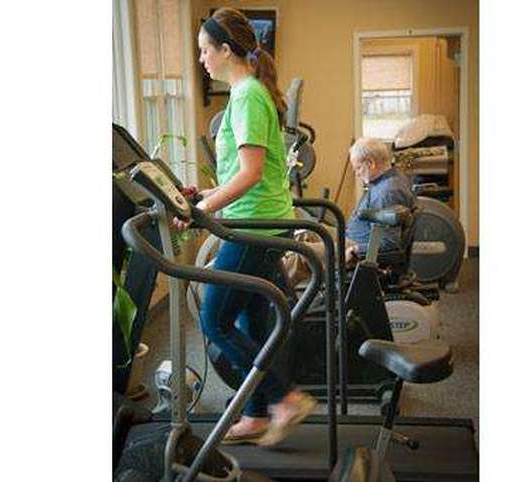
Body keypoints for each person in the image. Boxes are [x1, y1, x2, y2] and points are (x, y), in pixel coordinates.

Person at [173, 7, 315, 447]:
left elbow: (251, 174)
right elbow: (243, 167)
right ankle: (255, 414)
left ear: (225, 50)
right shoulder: (246, 94)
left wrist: (204, 210)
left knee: (214, 319)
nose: (200, 60)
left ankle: (283, 399)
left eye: (203, 51)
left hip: (257, 228)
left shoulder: (248, 94)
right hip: (261, 222)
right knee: (253, 325)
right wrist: (205, 196)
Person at [283, 137, 416, 284]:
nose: (357, 174)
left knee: (300, 253)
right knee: (305, 233)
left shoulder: (387, 192)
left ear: (370, 163)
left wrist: (357, 250)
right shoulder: (390, 179)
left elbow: (389, 243)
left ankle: (269, 299)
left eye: (358, 168)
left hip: (356, 247)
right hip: (351, 238)